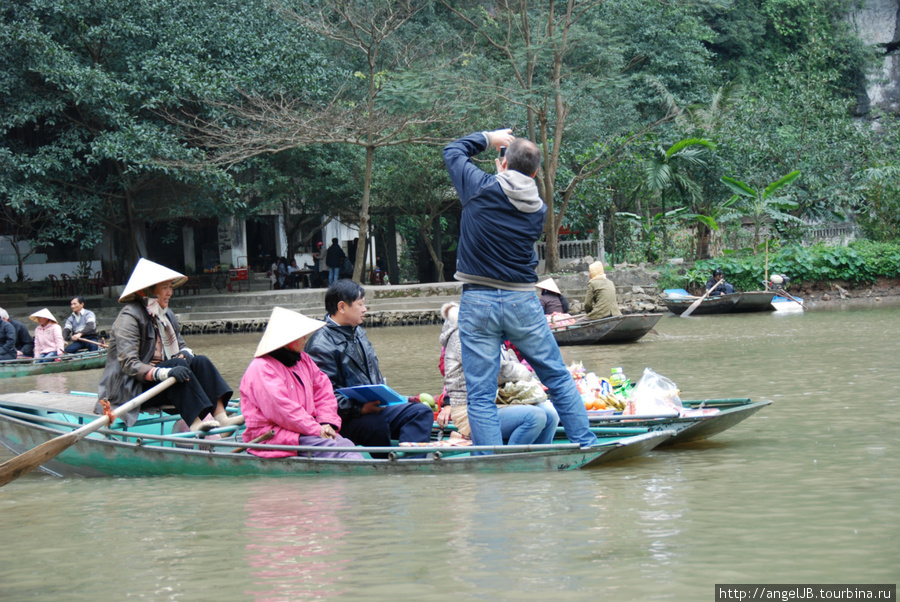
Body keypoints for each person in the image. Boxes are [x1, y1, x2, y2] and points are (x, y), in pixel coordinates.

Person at [442, 128, 598, 449]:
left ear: (502, 164)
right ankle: (587, 444)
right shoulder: (538, 208)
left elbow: (453, 151)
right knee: (556, 377)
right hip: (522, 301)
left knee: (481, 394)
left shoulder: (479, 188)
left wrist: (490, 137)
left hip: (479, 300)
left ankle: (491, 460)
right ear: (536, 172)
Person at [96, 258, 243, 431]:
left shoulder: (166, 315)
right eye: (164, 287)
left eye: (170, 287)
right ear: (146, 292)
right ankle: (196, 423)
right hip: (131, 389)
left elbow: (182, 345)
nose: (170, 292)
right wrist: (165, 372)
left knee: (200, 361)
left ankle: (221, 417)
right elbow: (130, 365)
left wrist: (185, 353)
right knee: (178, 365)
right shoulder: (129, 317)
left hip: (163, 382)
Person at [305, 279, 434, 456]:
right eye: (360, 304)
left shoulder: (357, 331)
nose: (365, 309)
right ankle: (384, 467)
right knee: (376, 426)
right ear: (342, 307)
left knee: (420, 412)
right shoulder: (320, 345)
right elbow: (322, 395)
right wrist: (359, 409)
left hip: (375, 406)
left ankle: (411, 464)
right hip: (345, 417)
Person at [239, 306, 363, 459]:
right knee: (338, 451)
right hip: (274, 435)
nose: (306, 339)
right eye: (302, 335)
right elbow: (283, 410)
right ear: (288, 340)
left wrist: (326, 422)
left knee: (346, 445)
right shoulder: (262, 368)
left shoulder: (303, 360)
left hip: (304, 430)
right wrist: (316, 429)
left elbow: (323, 391)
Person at [437, 302, 559, 445]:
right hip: (470, 409)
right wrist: (522, 372)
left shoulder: (489, 333)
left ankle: (540, 459)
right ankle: (509, 461)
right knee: (535, 417)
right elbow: (494, 370)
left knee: (552, 415)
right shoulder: (461, 337)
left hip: (499, 401)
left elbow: (511, 361)